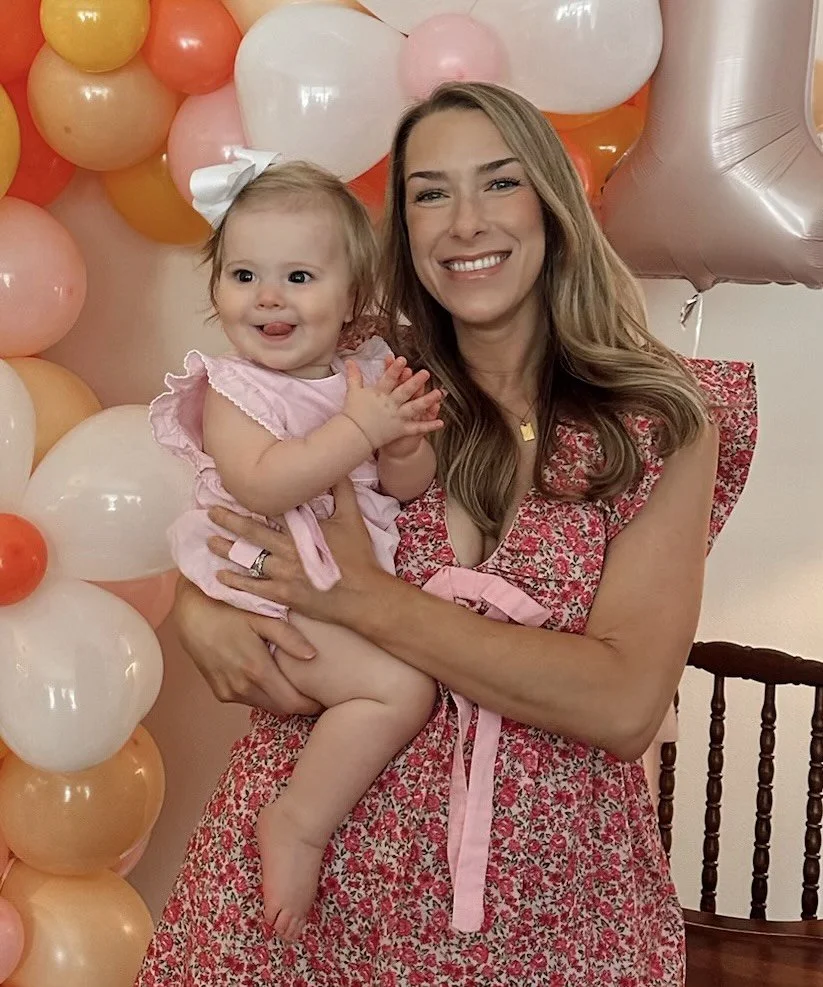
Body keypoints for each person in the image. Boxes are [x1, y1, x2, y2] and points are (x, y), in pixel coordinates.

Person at [136, 81, 757, 986]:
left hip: (546, 927)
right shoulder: (360, 379)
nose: (465, 222)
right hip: (303, 917)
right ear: (401, 229)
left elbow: (622, 705)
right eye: (430, 193)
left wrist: (364, 600)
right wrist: (201, 610)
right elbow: (243, 499)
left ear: (552, 204)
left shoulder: (658, 418)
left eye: (499, 182)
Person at [148, 154, 443, 941]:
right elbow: (263, 483)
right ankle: (298, 822)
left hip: (335, 573)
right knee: (397, 690)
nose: (268, 296)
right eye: (243, 274)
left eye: (299, 277)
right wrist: (359, 427)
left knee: (399, 675)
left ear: (352, 299)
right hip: (265, 570)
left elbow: (405, 486)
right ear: (216, 289)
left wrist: (402, 441)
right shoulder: (233, 389)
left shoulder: (368, 369)